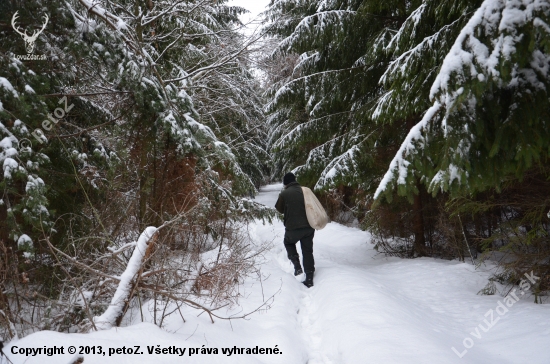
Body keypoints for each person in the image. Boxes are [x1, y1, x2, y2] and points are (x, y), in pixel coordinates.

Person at [275, 172, 315, 288]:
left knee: (288, 242)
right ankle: (309, 278)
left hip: (292, 228)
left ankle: (297, 266)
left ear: (285, 183)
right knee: (307, 251)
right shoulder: (306, 191)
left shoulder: (284, 194)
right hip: (308, 227)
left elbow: (280, 209)